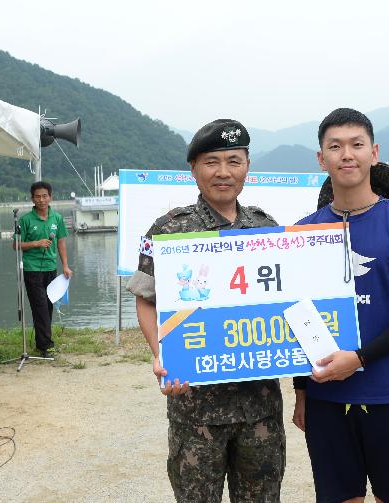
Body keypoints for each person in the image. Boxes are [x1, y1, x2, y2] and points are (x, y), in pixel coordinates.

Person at [127, 119, 286, 502]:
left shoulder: (267, 229)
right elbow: (145, 300)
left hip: (259, 408)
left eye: (234, 161)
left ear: (247, 166)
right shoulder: (166, 231)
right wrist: (161, 352)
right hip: (196, 409)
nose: (223, 172)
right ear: (194, 169)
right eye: (212, 162)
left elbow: (286, 308)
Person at [291, 108, 389, 503]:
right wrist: (302, 392)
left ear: (373, 153)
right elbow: (296, 315)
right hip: (326, 398)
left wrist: (358, 359)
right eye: (335, 146)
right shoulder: (304, 231)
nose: (347, 155)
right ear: (321, 159)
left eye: (356, 145)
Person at [16, 181, 72, 356]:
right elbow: (15, 244)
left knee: (47, 305)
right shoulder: (25, 220)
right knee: (39, 306)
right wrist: (35, 243)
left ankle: (42, 342)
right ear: (32, 199)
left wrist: (65, 265)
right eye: (37, 196)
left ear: (50, 197)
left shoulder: (57, 218)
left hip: (51, 268)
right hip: (32, 269)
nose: (41, 200)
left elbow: (61, 242)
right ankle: (46, 346)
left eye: (44, 196)